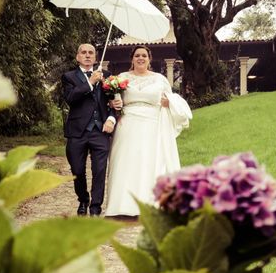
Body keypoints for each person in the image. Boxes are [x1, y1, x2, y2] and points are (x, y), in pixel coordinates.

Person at [104, 46, 192, 218]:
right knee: (125, 161)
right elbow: (112, 100)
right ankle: (121, 206)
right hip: (127, 123)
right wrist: (111, 104)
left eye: (144, 55)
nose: (140, 58)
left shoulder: (160, 79)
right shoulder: (121, 78)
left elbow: (171, 98)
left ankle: (149, 204)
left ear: (149, 59)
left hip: (152, 124)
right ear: (132, 59)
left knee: (149, 162)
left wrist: (169, 104)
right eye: (137, 55)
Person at [61, 43, 121, 216]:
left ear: (95, 57)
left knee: (99, 170)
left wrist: (111, 118)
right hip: (77, 131)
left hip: (100, 131)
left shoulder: (108, 76)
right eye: (83, 52)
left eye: (91, 53)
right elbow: (71, 99)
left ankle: (95, 207)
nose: (87, 55)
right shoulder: (68, 77)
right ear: (78, 56)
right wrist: (90, 82)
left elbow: (114, 103)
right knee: (77, 170)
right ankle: (83, 199)